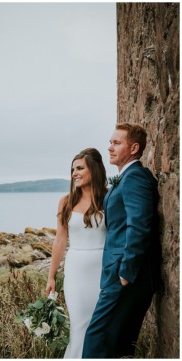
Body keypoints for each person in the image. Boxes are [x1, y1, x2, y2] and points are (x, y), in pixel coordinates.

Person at [82, 122, 161, 358]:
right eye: (110, 142)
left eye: (116, 143)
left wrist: (126, 272)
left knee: (97, 338)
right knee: (116, 343)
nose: (110, 147)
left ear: (134, 148)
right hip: (119, 274)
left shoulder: (135, 177)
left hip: (125, 276)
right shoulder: (126, 177)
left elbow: (139, 225)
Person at [45, 148, 107, 358]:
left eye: (80, 168)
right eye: (72, 169)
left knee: (100, 327)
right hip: (76, 271)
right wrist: (51, 276)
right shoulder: (66, 201)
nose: (74, 173)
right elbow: (60, 240)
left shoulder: (109, 198)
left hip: (104, 271)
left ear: (95, 170)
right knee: (80, 325)